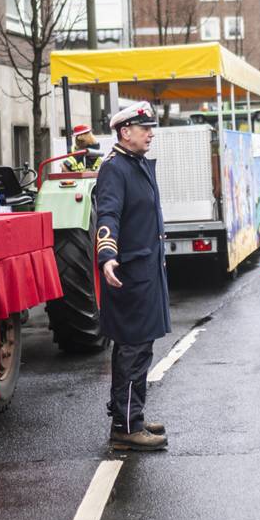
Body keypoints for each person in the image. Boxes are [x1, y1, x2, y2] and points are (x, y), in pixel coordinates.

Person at [95, 101, 171, 452]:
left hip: (145, 272)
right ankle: (125, 427)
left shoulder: (134, 164)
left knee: (140, 348)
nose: (150, 134)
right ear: (126, 133)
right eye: (145, 129)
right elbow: (108, 214)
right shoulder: (115, 169)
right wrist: (107, 256)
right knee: (133, 349)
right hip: (129, 275)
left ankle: (132, 417)